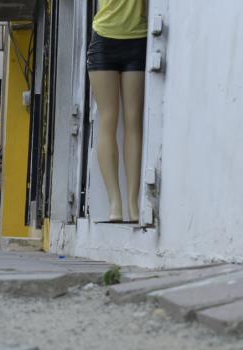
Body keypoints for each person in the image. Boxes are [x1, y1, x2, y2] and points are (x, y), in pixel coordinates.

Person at [87, 0, 148, 222]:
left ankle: (133, 201)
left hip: (138, 38)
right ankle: (115, 201)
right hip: (104, 38)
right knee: (108, 118)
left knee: (133, 121)